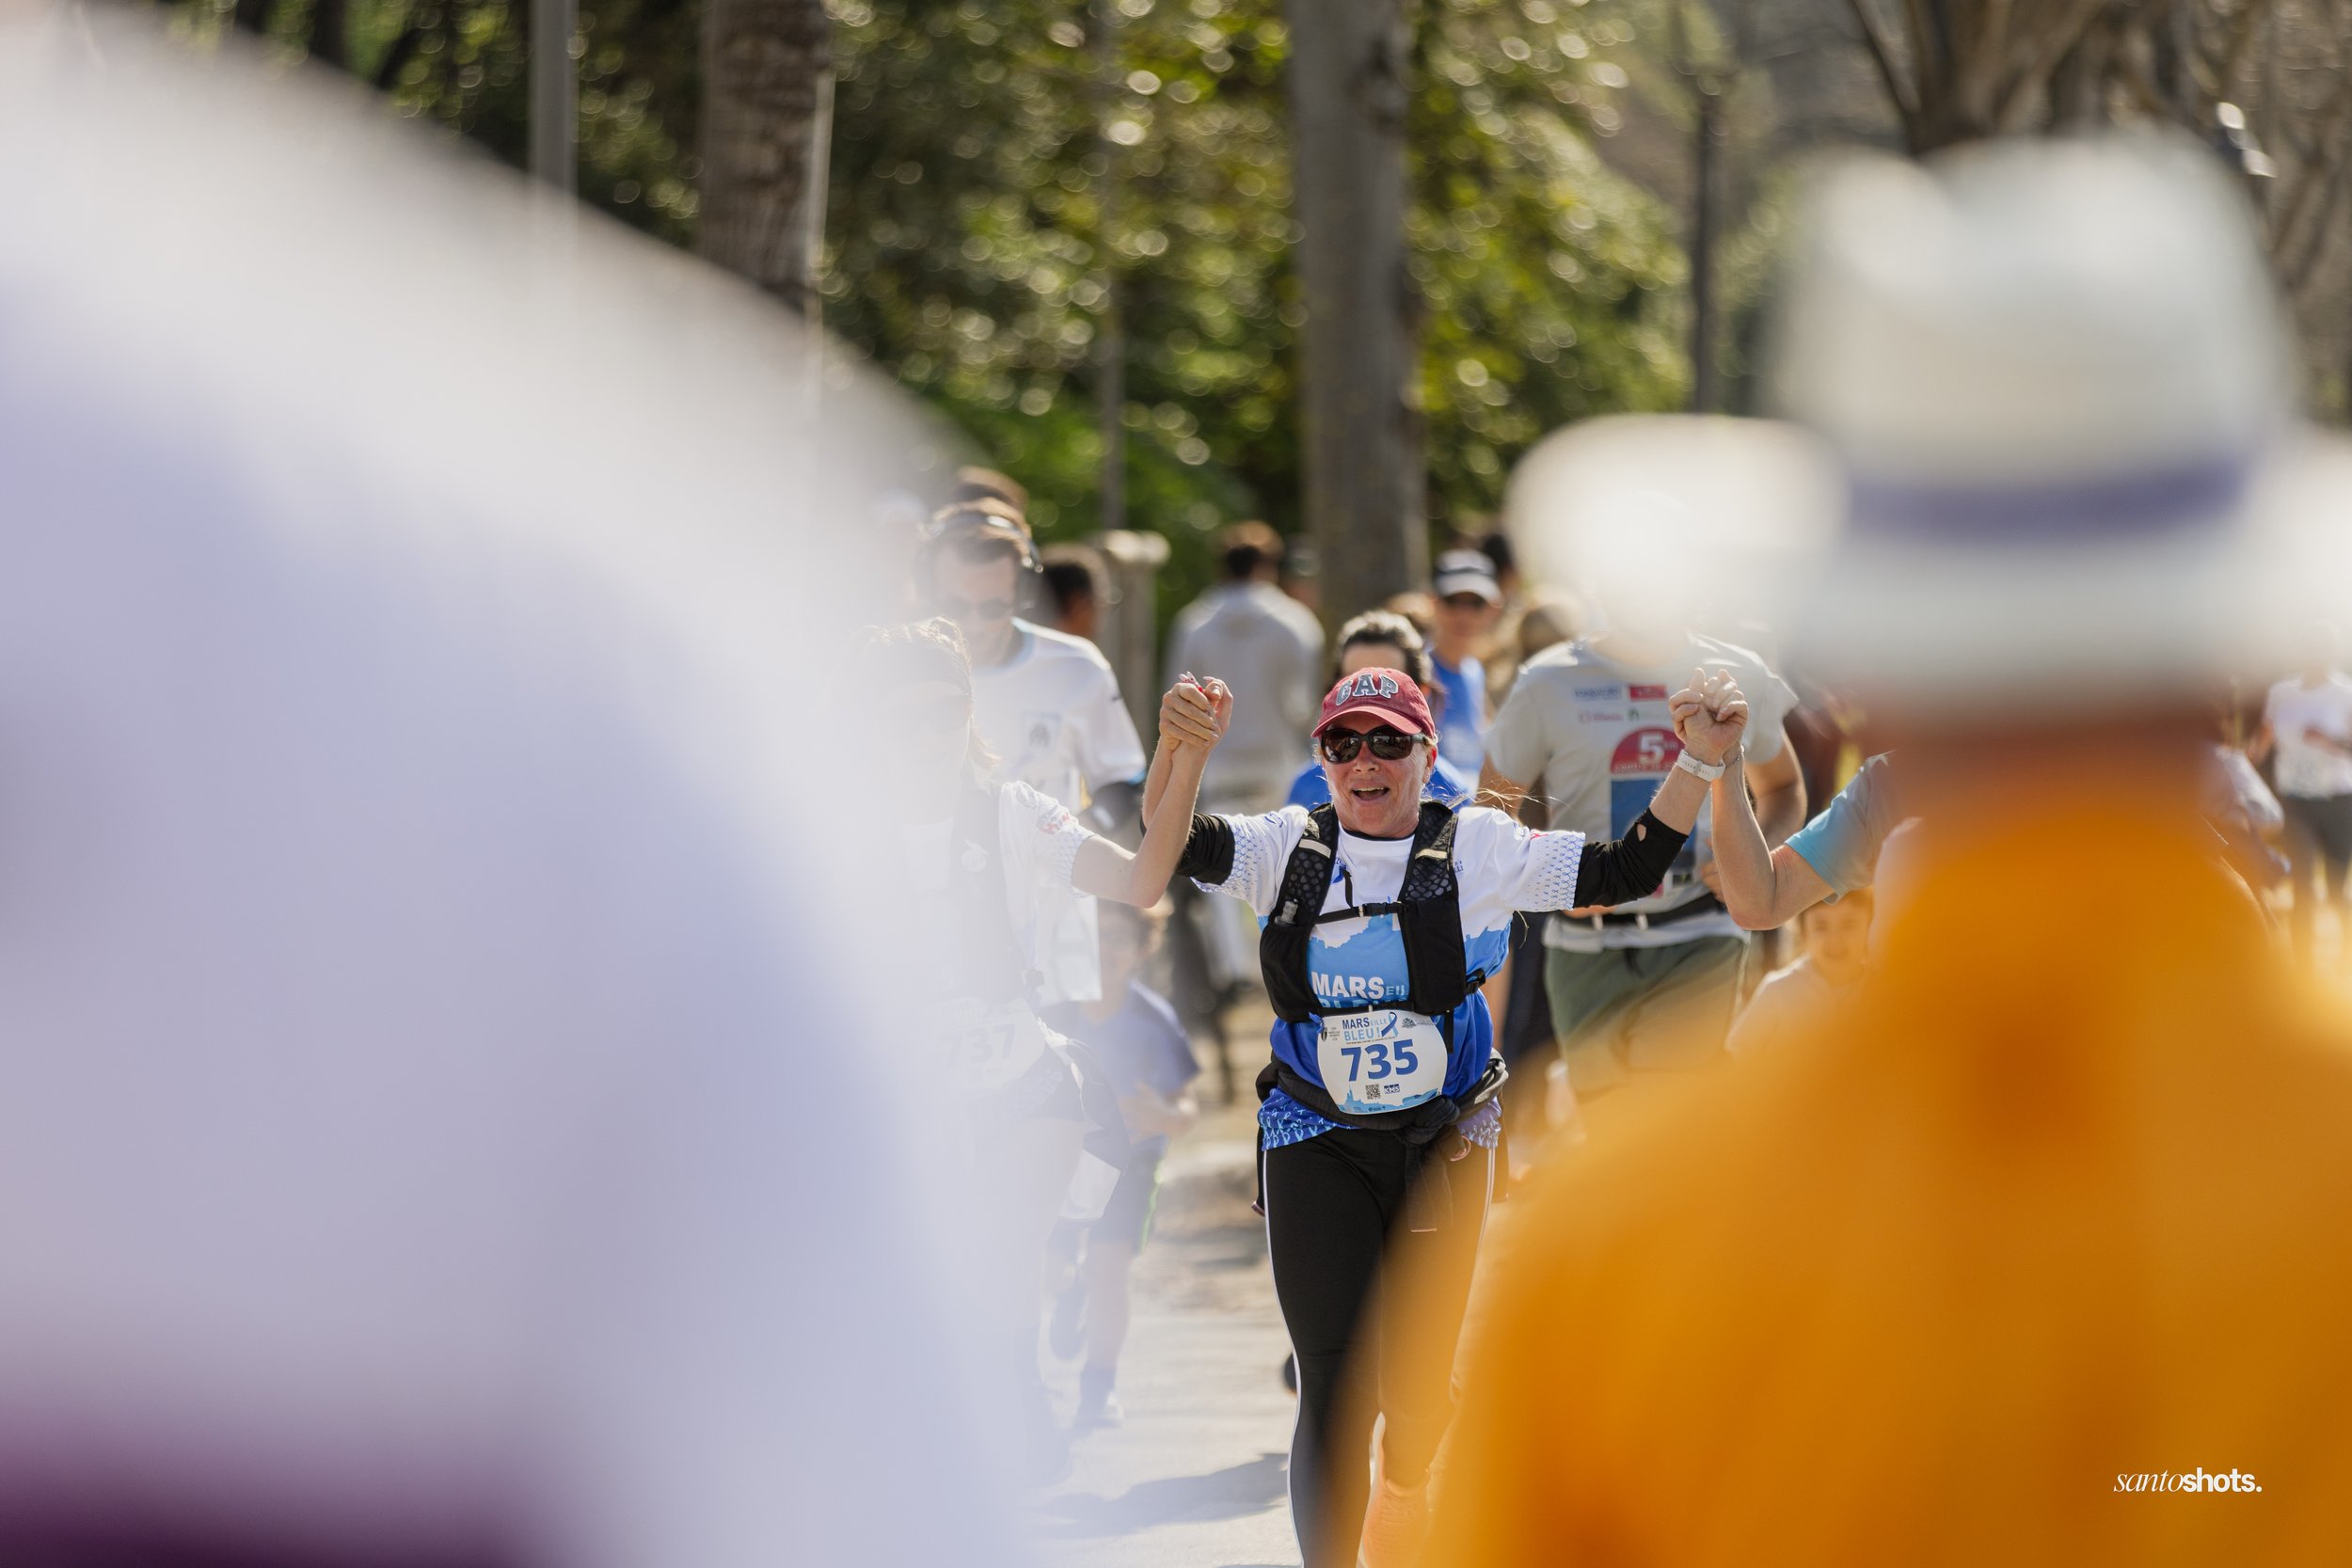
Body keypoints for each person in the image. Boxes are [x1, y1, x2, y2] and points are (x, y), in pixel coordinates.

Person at [1424, 134, 2352, 1564]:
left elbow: (1755, 899)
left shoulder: (1627, 1247)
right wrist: (1724, 772)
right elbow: (1754, 889)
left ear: (1879, 668)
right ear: (2241, 638)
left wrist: (1723, 769)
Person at [1151, 661, 1752, 1568]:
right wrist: (1183, 750)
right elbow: (1171, 847)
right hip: (1316, 1133)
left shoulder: (1478, 845)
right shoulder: (1290, 846)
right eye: (1344, 743)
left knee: (1420, 1395)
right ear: (1323, 758)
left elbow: (1626, 868)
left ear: (1427, 757)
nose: (1366, 758)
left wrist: (1699, 762)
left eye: (1390, 739)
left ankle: (1407, 1486)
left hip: (1445, 1136)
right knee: (1335, 1381)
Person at [864, 620, 1215, 1480]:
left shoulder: (1014, 809)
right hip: (907, 1098)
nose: (925, 737)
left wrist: (1187, 757)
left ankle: (1013, 1388)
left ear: (968, 710)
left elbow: (1138, 879)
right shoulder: (836, 826)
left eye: (942, 713)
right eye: (901, 719)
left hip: (1022, 1079)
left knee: (1006, 1250)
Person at [1483, 620, 1806, 1105]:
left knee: (1660, 1121)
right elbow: (1488, 820)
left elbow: (1784, 788)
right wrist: (1556, 878)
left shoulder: (1736, 672)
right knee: (1608, 1136)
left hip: (1699, 936)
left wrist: (1759, 854)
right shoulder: (1546, 682)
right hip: (1583, 952)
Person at [916, 498, 1148, 1004]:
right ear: (928, 588)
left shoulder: (1076, 668)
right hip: (930, 927)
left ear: (1021, 591)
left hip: (1051, 935)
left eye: (992, 608)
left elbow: (1122, 781)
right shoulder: (898, 669)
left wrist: (1068, 844)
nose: (973, 626)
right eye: (955, 607)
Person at [1042, 899, 1201, 1431]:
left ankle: (1098, 1388)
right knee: (1054, 1268)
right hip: (1061, 1166)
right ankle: (1069, 1295)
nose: (1105, 948)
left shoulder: (1153, 1019)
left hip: (1128, 1168)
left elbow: (1186, 1110)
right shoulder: (1053, 1015)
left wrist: (1162, 1115)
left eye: (1119, 938)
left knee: (1108, 1273)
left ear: (1140, 949)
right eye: (1096, 935)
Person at [1166, 520, 1327, 816]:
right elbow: (1306, 707)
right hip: (1278, 765)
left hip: (1213, 766)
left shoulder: (1194, 624)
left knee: (1220, 857)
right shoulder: (1295, 624)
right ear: (1267, 567)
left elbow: (1178, 700)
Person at [1285, 610, 1476, 809]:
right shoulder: (1305, 788)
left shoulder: (1453, 793)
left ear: (1422, 694)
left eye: (1388, 682)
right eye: (1354, 681)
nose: (1368, 695)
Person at [2255, 631, 2352, 966]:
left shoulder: (2345, 693)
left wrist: (2328, 740)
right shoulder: (2281, 694)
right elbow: (2265, 736)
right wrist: (2242, 759)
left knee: (2339, 888)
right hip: (2296, 800)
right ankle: (2303, 970)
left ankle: (2344, 959)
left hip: (2338, 799)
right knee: (2304, 884)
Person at [1724, 884, 1872, 1056]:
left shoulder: (1886, 988)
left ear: (1870, 925)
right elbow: (1737, 1053)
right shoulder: (1778, 990)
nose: (1835, 939)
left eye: (1849, 924)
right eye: (1821, 927)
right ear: (1803, 933)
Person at [1427, 549, 1503, 776]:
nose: (1464, 615)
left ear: (1493, 609)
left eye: (1476, 603)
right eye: (1453, 601)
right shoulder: (1414, 670)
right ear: (1433, 602)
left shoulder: (1475, 671)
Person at [1040, 542, 1108, 643]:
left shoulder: (1016, 651)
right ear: (1078, 603)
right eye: (1098, 600)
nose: (1103, 607)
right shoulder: (1081, 656)